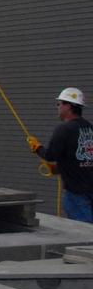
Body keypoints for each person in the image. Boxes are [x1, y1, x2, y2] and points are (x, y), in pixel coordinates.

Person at [30, 87, 93, 222]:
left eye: (59, 104)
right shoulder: (90, 128)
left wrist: (37, 148)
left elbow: (50, 156)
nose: (57, 107)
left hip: (76, 194)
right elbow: (81, 157)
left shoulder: (63, 129)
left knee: (85, 234)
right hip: (89, 189)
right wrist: (58, 169)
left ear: (68, 106)